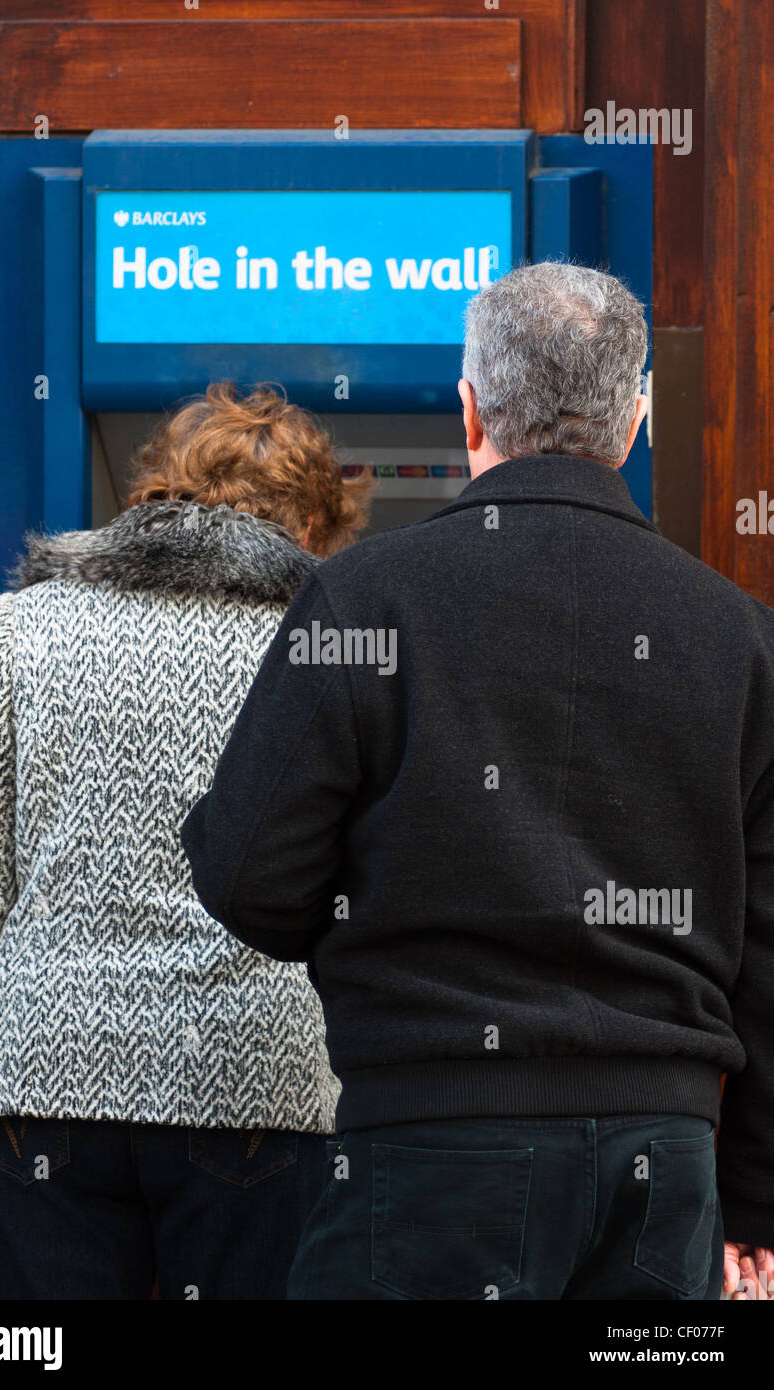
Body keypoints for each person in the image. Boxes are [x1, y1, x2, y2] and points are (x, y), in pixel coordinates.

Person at [183, 264, 774, 1301]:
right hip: (661, 1172)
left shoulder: (360, 599)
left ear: (468, 410)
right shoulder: (737, 639)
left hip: (421, 1151)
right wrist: (754, 1199)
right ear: (633, 418)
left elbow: (244, 873)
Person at [0, 381, 370, 1300]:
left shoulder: (25, 626)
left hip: (38, 1086)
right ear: (312, 528)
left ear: (156, 492)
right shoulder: (334, 645)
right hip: (260, 1089)